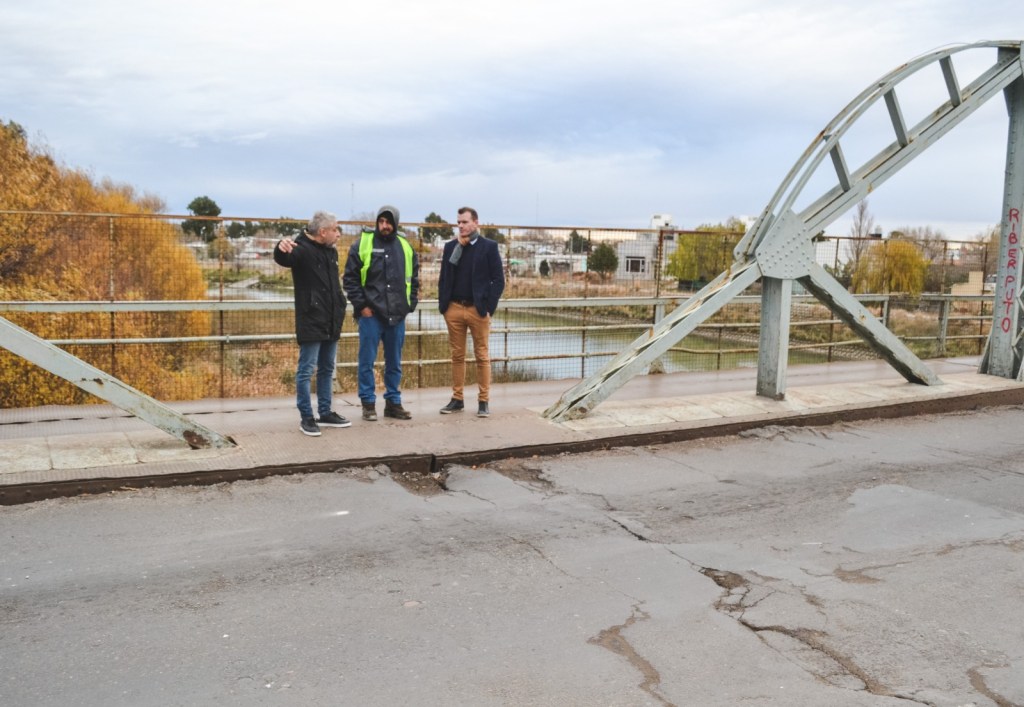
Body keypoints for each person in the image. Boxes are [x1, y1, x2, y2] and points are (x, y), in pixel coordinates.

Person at [273, 211, 351, 436]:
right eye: (335, 229)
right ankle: (307, 417)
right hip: (311, 319)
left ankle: (325, 413)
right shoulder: (301, 249)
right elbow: (283, 258)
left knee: (327, 368)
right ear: (323, 231)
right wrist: (280, 246)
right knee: (307, 370)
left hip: (331, 320)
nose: (338, 234)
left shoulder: (331, 251)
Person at [343, 205, 419, 421]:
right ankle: (368, 404)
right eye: (381, 221)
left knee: (394, 362)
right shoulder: (363, 244)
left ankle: (393, 403)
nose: (384, 226)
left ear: (395, 223)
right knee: (366, 361)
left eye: (388, 222)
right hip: (371, 315)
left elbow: (413, 279)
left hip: (397, 315)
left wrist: (409, 305)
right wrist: (362, 307)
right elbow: (350, 279)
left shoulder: (405, 246)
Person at [437, 206, 505, 417]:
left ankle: (483, 401)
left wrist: (488, 307)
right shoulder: (451, 247)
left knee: (481, 356)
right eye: (458, 222)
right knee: (457, 356)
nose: (461, 226)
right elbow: (444, 278)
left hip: (478, 310)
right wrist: (444, 307)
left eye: (465, 222)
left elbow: (498, 280)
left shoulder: (488, 247)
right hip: (454, 309)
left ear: (476, 222)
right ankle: (457, 399)